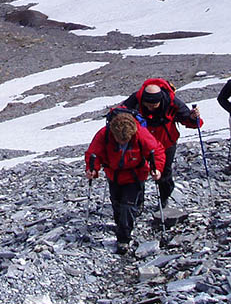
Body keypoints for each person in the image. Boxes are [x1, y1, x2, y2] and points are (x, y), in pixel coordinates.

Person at [85, 111, 165, 255]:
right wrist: (93, 169)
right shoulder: (104, 135)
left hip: (135, 175)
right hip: (114, 175)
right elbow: (93, 154)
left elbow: (156, 151)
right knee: (116, 203)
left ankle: (123, 239)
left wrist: (157, 168)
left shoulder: (141, 134)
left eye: (125, 140)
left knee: (127, 206)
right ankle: (123, 222)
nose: (122, 142)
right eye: (119, 140)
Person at [122, 78, 202, 208]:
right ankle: (138, 202)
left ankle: (164, 198)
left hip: (166, 143)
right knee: (139, 171)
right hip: (142, 143)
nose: (150, 108)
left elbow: (189, 119)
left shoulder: (172, 101)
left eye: (153, 105)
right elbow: (122, 112)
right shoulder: (137, 98)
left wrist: (193, 118)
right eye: (147, 105)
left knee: (164, 173)